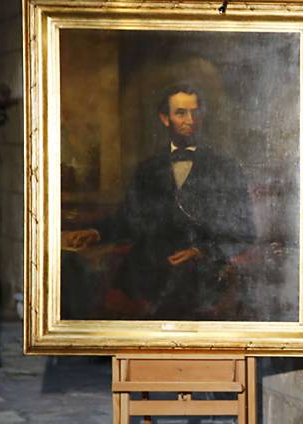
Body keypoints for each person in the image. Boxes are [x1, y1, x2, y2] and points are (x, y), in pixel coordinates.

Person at [62, 83, 256, 320]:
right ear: (165, 118)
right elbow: (128, 219)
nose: (190, 120)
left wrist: (200, 251)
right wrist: (94, 232)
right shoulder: (148, 168)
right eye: (181, 113)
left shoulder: (226, 169)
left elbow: (245, 231)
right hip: (148, 275)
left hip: (201, 277)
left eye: (195, 112)